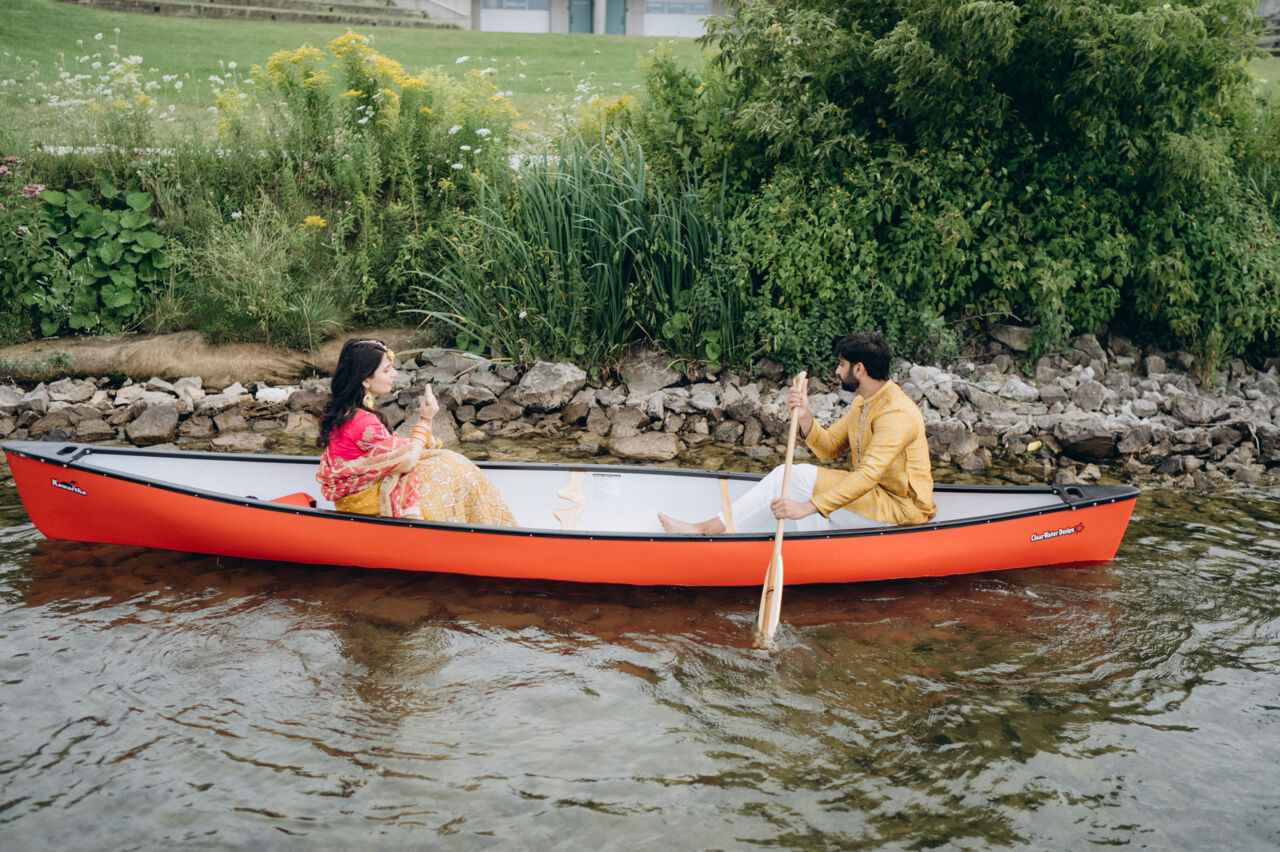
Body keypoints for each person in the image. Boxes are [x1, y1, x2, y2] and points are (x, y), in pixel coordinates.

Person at [658, 332, 936, 534]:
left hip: (901, 510)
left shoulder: (896, 413)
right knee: (790, 476)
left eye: (841, 364)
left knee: (794, 478)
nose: (837, 371)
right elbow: (829, 448)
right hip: (876, 496)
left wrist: (808, 507)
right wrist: (804, 415)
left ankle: (705, 530)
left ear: (859, 369)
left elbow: (867, 476)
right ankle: (723, 530)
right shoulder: (865, 402)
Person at [315, 338, 517, 526]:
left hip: (355, 497)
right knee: (455, 474)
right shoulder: (362, 421)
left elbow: (391, 451)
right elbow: (408, 459)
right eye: (386, 370)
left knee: (448, 464)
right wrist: (425, 419)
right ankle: (479, 533)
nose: (394, 374)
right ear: (365, 380)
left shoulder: (350, 413)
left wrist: (423, 436)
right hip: (361, 502)